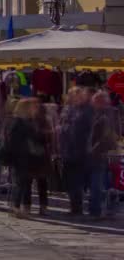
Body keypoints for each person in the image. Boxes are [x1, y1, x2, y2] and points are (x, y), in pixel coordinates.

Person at [5, 98, 48, 218]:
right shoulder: (18, 121)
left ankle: (19, 207)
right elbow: (13, 141)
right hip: (22, 157)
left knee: (26, 182)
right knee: (21, 183)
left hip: (31, 157)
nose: (35, 108)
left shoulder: (33, 121)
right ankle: (17, 207)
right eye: (33, 106)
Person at [59, 87, 94, 216]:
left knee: (77, 181)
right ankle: (74, 206)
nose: (75, 97)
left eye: (78, 95)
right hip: (66, 150)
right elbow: (62, 126)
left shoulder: (87, 110)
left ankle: (77, 208)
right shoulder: (68, 109)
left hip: (80, 150)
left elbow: (87, 130)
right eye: (73, 95)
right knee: (69, 180)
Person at [88, 91, 117, 218]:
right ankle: (99, 209)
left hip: (99, 154)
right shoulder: (97, 113)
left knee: (97, 183)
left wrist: (93, 149)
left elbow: (106, 137)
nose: (92, 103)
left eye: (94, 100)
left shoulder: (106, 114)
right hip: (96, 153)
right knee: (100, 182)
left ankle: (97, 210)